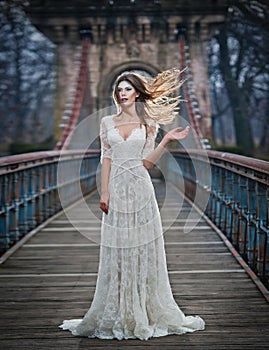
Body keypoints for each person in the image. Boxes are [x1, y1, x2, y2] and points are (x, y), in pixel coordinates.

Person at [59, 68, 205, 340]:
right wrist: (104, 192)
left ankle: (144, 309)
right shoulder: (106, 122)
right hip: (116, 188)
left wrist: (167, 141)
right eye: (119, 89)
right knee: (118, 249)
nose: (122, 93)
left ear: (137, 93)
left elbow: (147, 163)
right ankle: (119, 309)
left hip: (141, 188)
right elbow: (106, 158)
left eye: (127, 89)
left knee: (141, 246)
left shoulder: (149, 124)